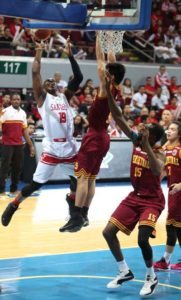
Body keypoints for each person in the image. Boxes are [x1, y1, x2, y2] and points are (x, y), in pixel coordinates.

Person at [1, 37, 83, 226]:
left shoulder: (64, 97)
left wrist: (70, 56)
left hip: (70, 147)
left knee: (78, 181)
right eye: (46, 83)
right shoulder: (42, 100)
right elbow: (36, 72)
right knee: (36, 184)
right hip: (53, 148)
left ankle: (74, 214)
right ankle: (13, 206)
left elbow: (78, 78)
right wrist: (38, 51)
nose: (49, 83)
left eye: (52, 82)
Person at [102, 73, 165, 297]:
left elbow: (157, 170)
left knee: (142, 239)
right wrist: (108, 92)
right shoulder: (136, 140)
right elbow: (118, 117)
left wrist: (147, 144)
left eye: (147, 128)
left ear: (155, 137)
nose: (142, 128)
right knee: (108, 232)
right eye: (143, 127)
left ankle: (151, 276)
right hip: (135, 196)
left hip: (153, 200)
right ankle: (124, 271)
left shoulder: (159, 151)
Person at [59, 32, 125, 233]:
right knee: (91, 178)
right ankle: (85, 214)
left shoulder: (105, 88)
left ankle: (76, 217)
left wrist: (98, 37)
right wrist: (111, 43)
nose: (104, 70)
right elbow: (111, 62)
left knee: (82, 178)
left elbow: (99, 60)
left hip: (95, 136)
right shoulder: (117, 86)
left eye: (107, 71)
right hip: (103, 138)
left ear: (110, 75)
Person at [154, 121, 181, 271]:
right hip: (173, 194)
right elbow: (164, 170)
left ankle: (165, 261)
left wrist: (180, 185)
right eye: (168, 129)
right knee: (172, 226)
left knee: (175, 227)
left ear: (179, 133)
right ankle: (165, 260)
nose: (168, 131)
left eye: (172, 129)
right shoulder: (165, 149)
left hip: (179, 193)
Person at [0, 93, 35, 194]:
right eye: (14, 99)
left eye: (18, 99)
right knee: (4, 168)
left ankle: (14, 189)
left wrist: (31, 145)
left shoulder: (23, 113)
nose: (16, 101)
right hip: (7, 144)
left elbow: (24, 131)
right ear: (11, 101)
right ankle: (1, 189)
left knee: (17, 167)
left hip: (19, 144)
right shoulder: (5, 112)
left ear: (20, 101)